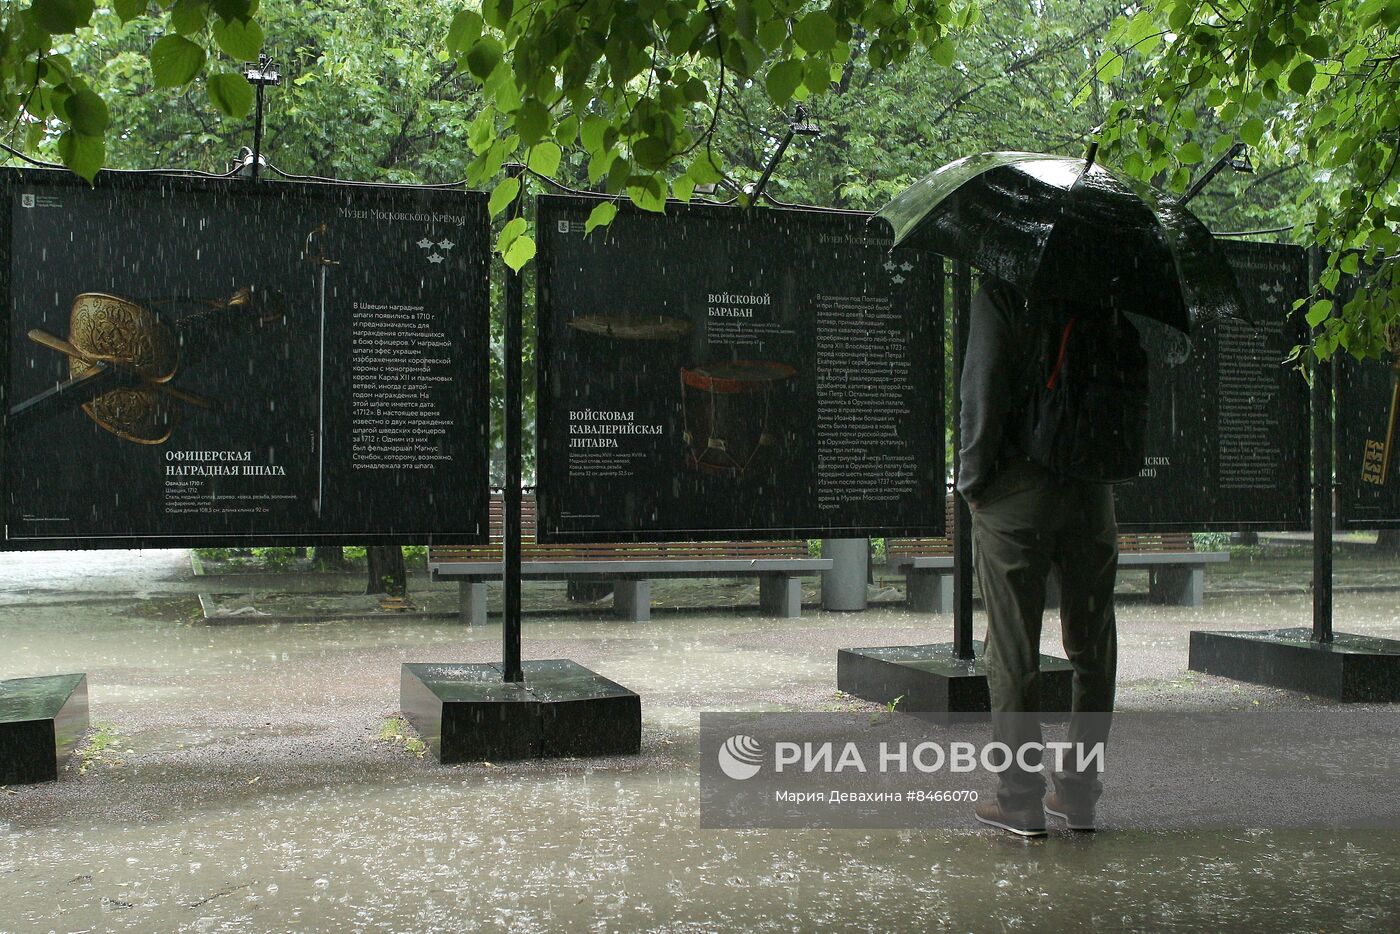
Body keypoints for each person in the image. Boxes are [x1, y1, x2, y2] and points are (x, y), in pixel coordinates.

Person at [959, 277, 1120, 837]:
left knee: (1012, 646)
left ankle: (1020, 799)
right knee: (1093, 646)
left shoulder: (1005, 285)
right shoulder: (1103, 286)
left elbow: (984, 383)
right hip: (1091, 487)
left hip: (1017, 486)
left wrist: (973, 480)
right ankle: (1078, 795)